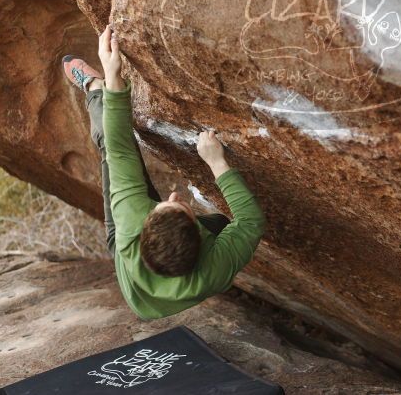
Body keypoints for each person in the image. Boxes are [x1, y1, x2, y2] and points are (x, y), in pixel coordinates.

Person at [61, 24, 266, 319]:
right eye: (179, 206)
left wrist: (112, 75)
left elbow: (120, 147)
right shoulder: (215, 268)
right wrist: (217, 163)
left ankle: (92, 86)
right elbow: (251, 221)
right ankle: (96, 87)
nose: (170, 195)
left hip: (132, 271)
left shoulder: (130, 217)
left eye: (161, 207)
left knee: (109, 142)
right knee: (222, 223)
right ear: (199, 237)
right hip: (153, 283)